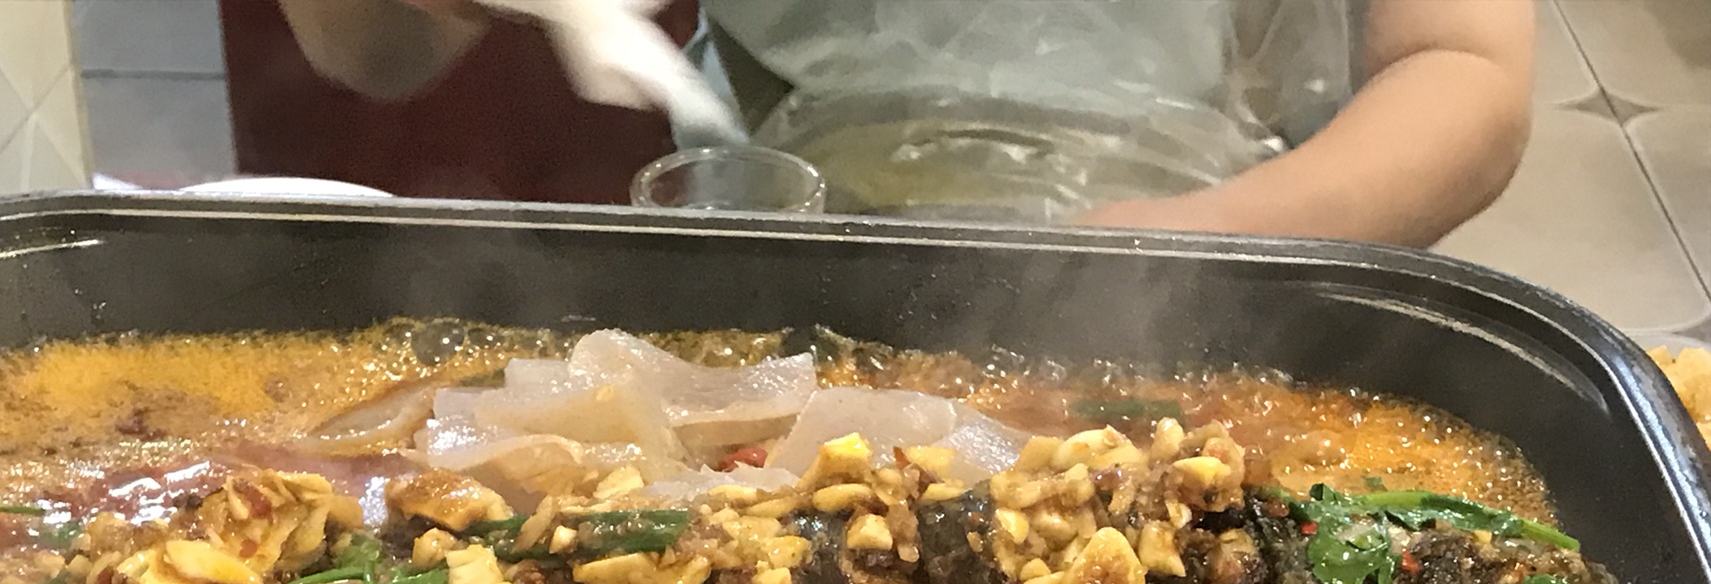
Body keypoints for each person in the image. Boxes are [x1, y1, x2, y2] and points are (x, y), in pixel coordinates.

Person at [277, 0, 1534, 246]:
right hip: (776, 226)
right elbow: (374, 51)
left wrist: (1154, 261)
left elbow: (1463, 70)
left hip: (1212, 238)